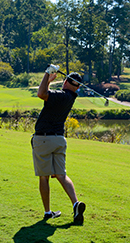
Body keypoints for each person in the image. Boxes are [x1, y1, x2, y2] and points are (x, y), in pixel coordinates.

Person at [31, 64, 86, 224]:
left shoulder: (61, 95)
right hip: (59, 140)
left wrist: (47, 74)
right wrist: (49, 81)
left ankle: (48, 212)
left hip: (43, 139)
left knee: (44, 177)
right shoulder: (71, 97)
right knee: (61, 174)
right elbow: (47, 94)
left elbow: (41, 94)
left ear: (67, 82)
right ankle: (76, 204)